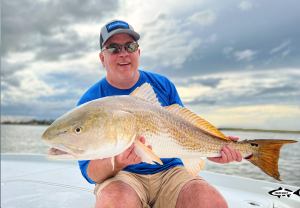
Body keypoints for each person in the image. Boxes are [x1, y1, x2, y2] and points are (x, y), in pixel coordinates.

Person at [77, 19, 242, 208]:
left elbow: (185, 131)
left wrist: (213, 146)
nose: (123, 53)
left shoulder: (163, 85)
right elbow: (90, 173)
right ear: (102, 58)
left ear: (138, 52)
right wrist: (117, 161)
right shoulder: (90, 103)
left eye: (130, 46)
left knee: (211, 202)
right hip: (122, 177)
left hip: (171, 171)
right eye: (113, 48)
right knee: (114, 203)